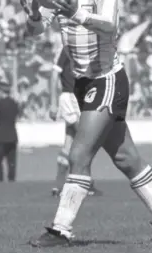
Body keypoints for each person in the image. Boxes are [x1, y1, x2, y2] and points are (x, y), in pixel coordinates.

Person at [20, 0, 152, 247]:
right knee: (126, 158)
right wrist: (32, 18)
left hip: (107, 80)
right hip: (86, 83)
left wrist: (77, 13)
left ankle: (60, 230)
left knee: (79, 152)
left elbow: (110, 26)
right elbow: (37, 32)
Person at [50, 48, 103, 197]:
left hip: (79, 97)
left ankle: (58, 185)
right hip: (71, 97)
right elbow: (54, 75)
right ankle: (82, 183)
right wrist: (53, 103)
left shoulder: (85, 46)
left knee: (69, 141)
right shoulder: (68, 48)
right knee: (86, 141)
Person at [0, 81, 20, 182]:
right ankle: (11, 180)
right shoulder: (14, 104)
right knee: (11, 162)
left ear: (1, 91)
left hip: (1, 136)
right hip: (12, 136)